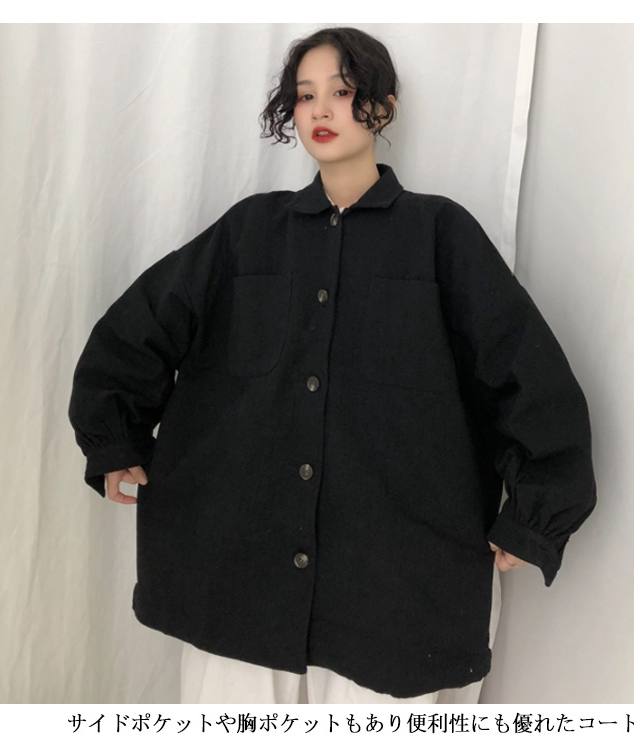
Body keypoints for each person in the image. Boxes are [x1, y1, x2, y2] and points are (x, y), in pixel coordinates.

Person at [69, 26, 596, 704]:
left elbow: (527, 373)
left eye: (341, 92)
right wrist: (113, 438)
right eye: (304, 94)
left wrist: (537, 514)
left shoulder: (440, 236)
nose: (319, 110)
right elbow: (139, 328)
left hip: (390, 582)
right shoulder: (249, 233)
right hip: (240, 567)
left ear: (383, 106)